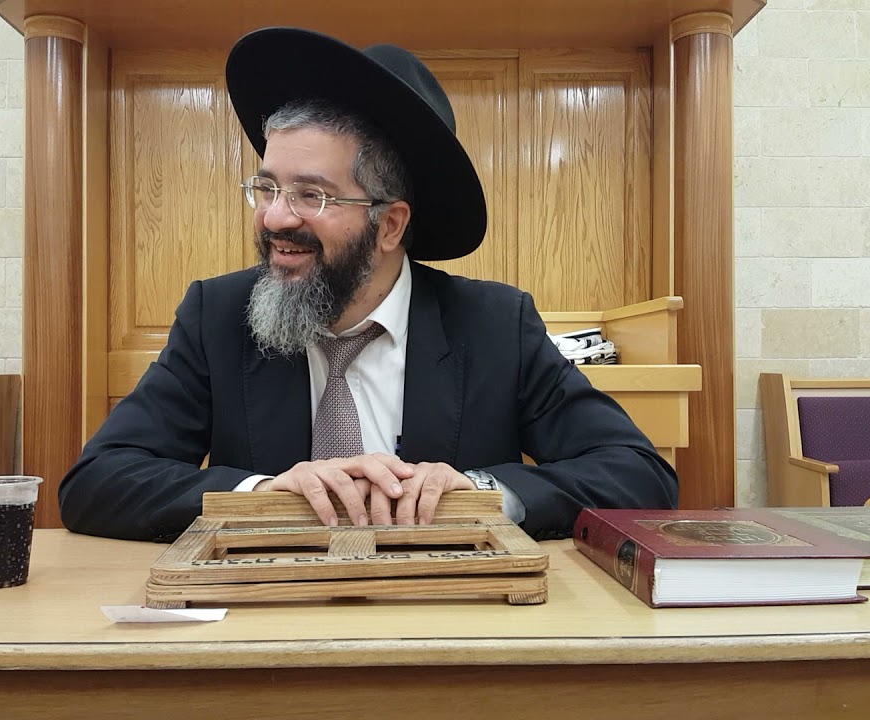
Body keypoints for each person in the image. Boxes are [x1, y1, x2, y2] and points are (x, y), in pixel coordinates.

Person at [58, 27, 678, 543]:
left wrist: (481, 492)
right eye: (267, 188)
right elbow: (97, 481)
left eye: (311, 195)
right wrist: (259, 493)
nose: (274, 218)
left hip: (449, 621)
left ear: (390, 225)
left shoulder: (494, 325)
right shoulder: (217, 314)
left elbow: (638, 475)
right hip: (264, 622)